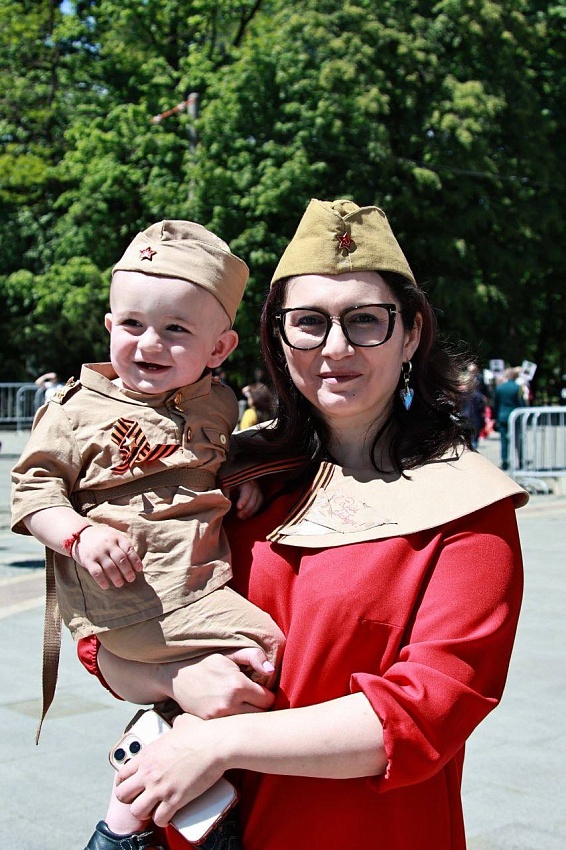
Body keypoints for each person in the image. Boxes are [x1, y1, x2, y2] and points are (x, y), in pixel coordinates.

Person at [75, 199, 527, 850]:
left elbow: (427, 711)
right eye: (309, 322)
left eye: (365, 320)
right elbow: (102, 639)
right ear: (278, 337)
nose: (336, 347)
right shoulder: (222, 473)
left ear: (410, 333)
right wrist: (171, 678)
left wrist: (220, 741)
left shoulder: (469, 506)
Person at [11, 220, 286, 850]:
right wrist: (77, 534)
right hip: (133, 595)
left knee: (232, 674)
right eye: (132, 324)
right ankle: (170, 777)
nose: (149, 343)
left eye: (176, 330)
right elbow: (31, 492)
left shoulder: (217, 403)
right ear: (109, 326)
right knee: (267, 650)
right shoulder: (76, 409)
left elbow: (211, 460)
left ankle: (139, 798)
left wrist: (237, 479)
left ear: (218, 348)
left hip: (191, 588)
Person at [493, 366, 527, 470]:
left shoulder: (499, 388)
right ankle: (520, 461)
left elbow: (496, 404)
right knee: (517, 439)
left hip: (502, 416)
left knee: (504, 440)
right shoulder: (518, 387)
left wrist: (495, 418)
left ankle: (504, 461)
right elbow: (521, 403)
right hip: (515, 417)